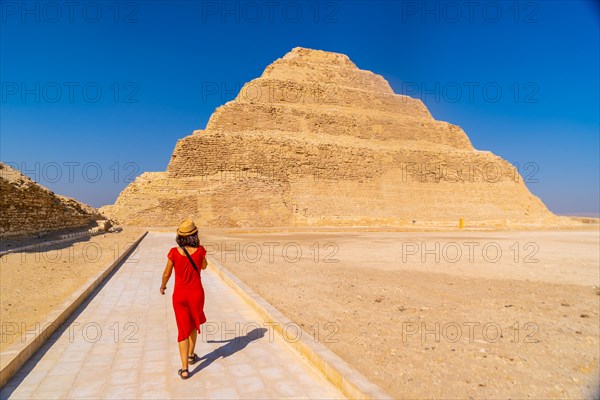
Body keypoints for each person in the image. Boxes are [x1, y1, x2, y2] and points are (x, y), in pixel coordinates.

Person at [160, 219, 208, 379]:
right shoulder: (200, 250)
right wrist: (199, 248)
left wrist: (163, 286)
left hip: (179, 296)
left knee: (182, 329)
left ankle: (185, 368)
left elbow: (166, 273)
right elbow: (204, 266)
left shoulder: (173, 252)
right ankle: (191, 354)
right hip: (196, 294)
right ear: (195, 235)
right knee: (193, 324)